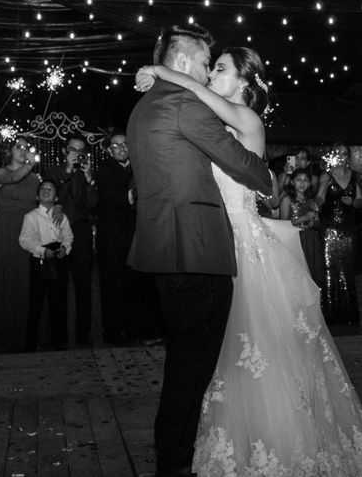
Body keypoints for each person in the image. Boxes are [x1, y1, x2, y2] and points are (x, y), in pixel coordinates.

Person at [136, 44, 362, 476]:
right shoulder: (208, 118)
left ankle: (277, 446)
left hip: (242, 246)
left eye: (221, 69)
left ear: (246, 83)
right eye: (210, 67)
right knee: (217, 356)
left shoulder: (246, 119)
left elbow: (202, 98)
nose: (211, 75)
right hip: (212, 243)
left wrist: (160, 70)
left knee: (257, 351)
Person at [128, 23, 270, 477]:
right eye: (207, 64)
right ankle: (174, 461)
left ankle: (177, 454)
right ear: (186, 63)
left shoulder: (147, 104)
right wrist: (266, 175)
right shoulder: (184, 104)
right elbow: (249, 168)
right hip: (194, 250)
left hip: (172, 246)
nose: (208, 73)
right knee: (192, 365)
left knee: (187, 360)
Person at [44, 134, 98, 346]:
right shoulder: (53, 172)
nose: (76, 153)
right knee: (58, 286)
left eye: (80, 150)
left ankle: (83, 336)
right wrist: (67, 172)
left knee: (84, 286)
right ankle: (59, 337)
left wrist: (90, 180)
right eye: (72, 149)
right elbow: (57, 200)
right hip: (58, 232)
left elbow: (93, 204)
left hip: (81, 232)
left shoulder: (86, 174)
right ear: (65, 151)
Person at [0, 136, 39, 352]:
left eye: (26, 147)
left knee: (25, 277)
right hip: (7, 228)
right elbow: (14, 178)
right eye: (18, 146)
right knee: (6, 276)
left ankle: (26, 333)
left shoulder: (35, 178)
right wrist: (29, 165)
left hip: (27, 226)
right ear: (10, 150)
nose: (22, 150)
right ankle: (3, 334)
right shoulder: (1, 172)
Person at [18, 179, 73, 351]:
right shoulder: (31, 216)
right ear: (37, 195)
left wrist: (65, 248)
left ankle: (58, 340)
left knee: (58, 301)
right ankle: (30, 342)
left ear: (57, 198)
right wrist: (42, 251)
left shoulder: (62, 216)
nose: (46, 191)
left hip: (58, 259)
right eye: (43, 189)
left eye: (50, 189)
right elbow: (24, 240)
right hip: (40, 260)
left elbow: (68, 236)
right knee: (36, 302)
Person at [316, 142, 362, 325]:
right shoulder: (325, 176)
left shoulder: (354, 177)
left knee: (348, 269)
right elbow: (319, 201)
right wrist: (322, 188)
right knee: (330, 269)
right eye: (337, 153)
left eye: (344, 154)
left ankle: (349, 315)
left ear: (348, 158)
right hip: (329, 228)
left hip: (348, 228)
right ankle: (330, 315)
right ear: (332, 156)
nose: (341, 156)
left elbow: (361, 201)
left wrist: (353, 201)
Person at [95, 131, 137, 345]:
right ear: (109, 150)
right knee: (112, 287)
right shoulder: (104, 170)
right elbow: (115, 198)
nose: (121, 148)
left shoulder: (137, 168)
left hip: (133, 238)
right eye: (116, 146)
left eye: (124, 144)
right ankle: (112, 333)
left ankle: (132, 331)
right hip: (111, 241)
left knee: (133, 286)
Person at [278, 167, 325, 289]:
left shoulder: (311, 201)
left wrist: (313, 222)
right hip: (294, 240)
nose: (302, 183)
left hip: (310, 240)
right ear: (292, 182)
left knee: (311, 272)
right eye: (299, 180)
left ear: (309, 183)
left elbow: (318, 224)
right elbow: (283, 225)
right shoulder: (287, 200)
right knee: (296, 274)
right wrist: (303, 218)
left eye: (305, 180)